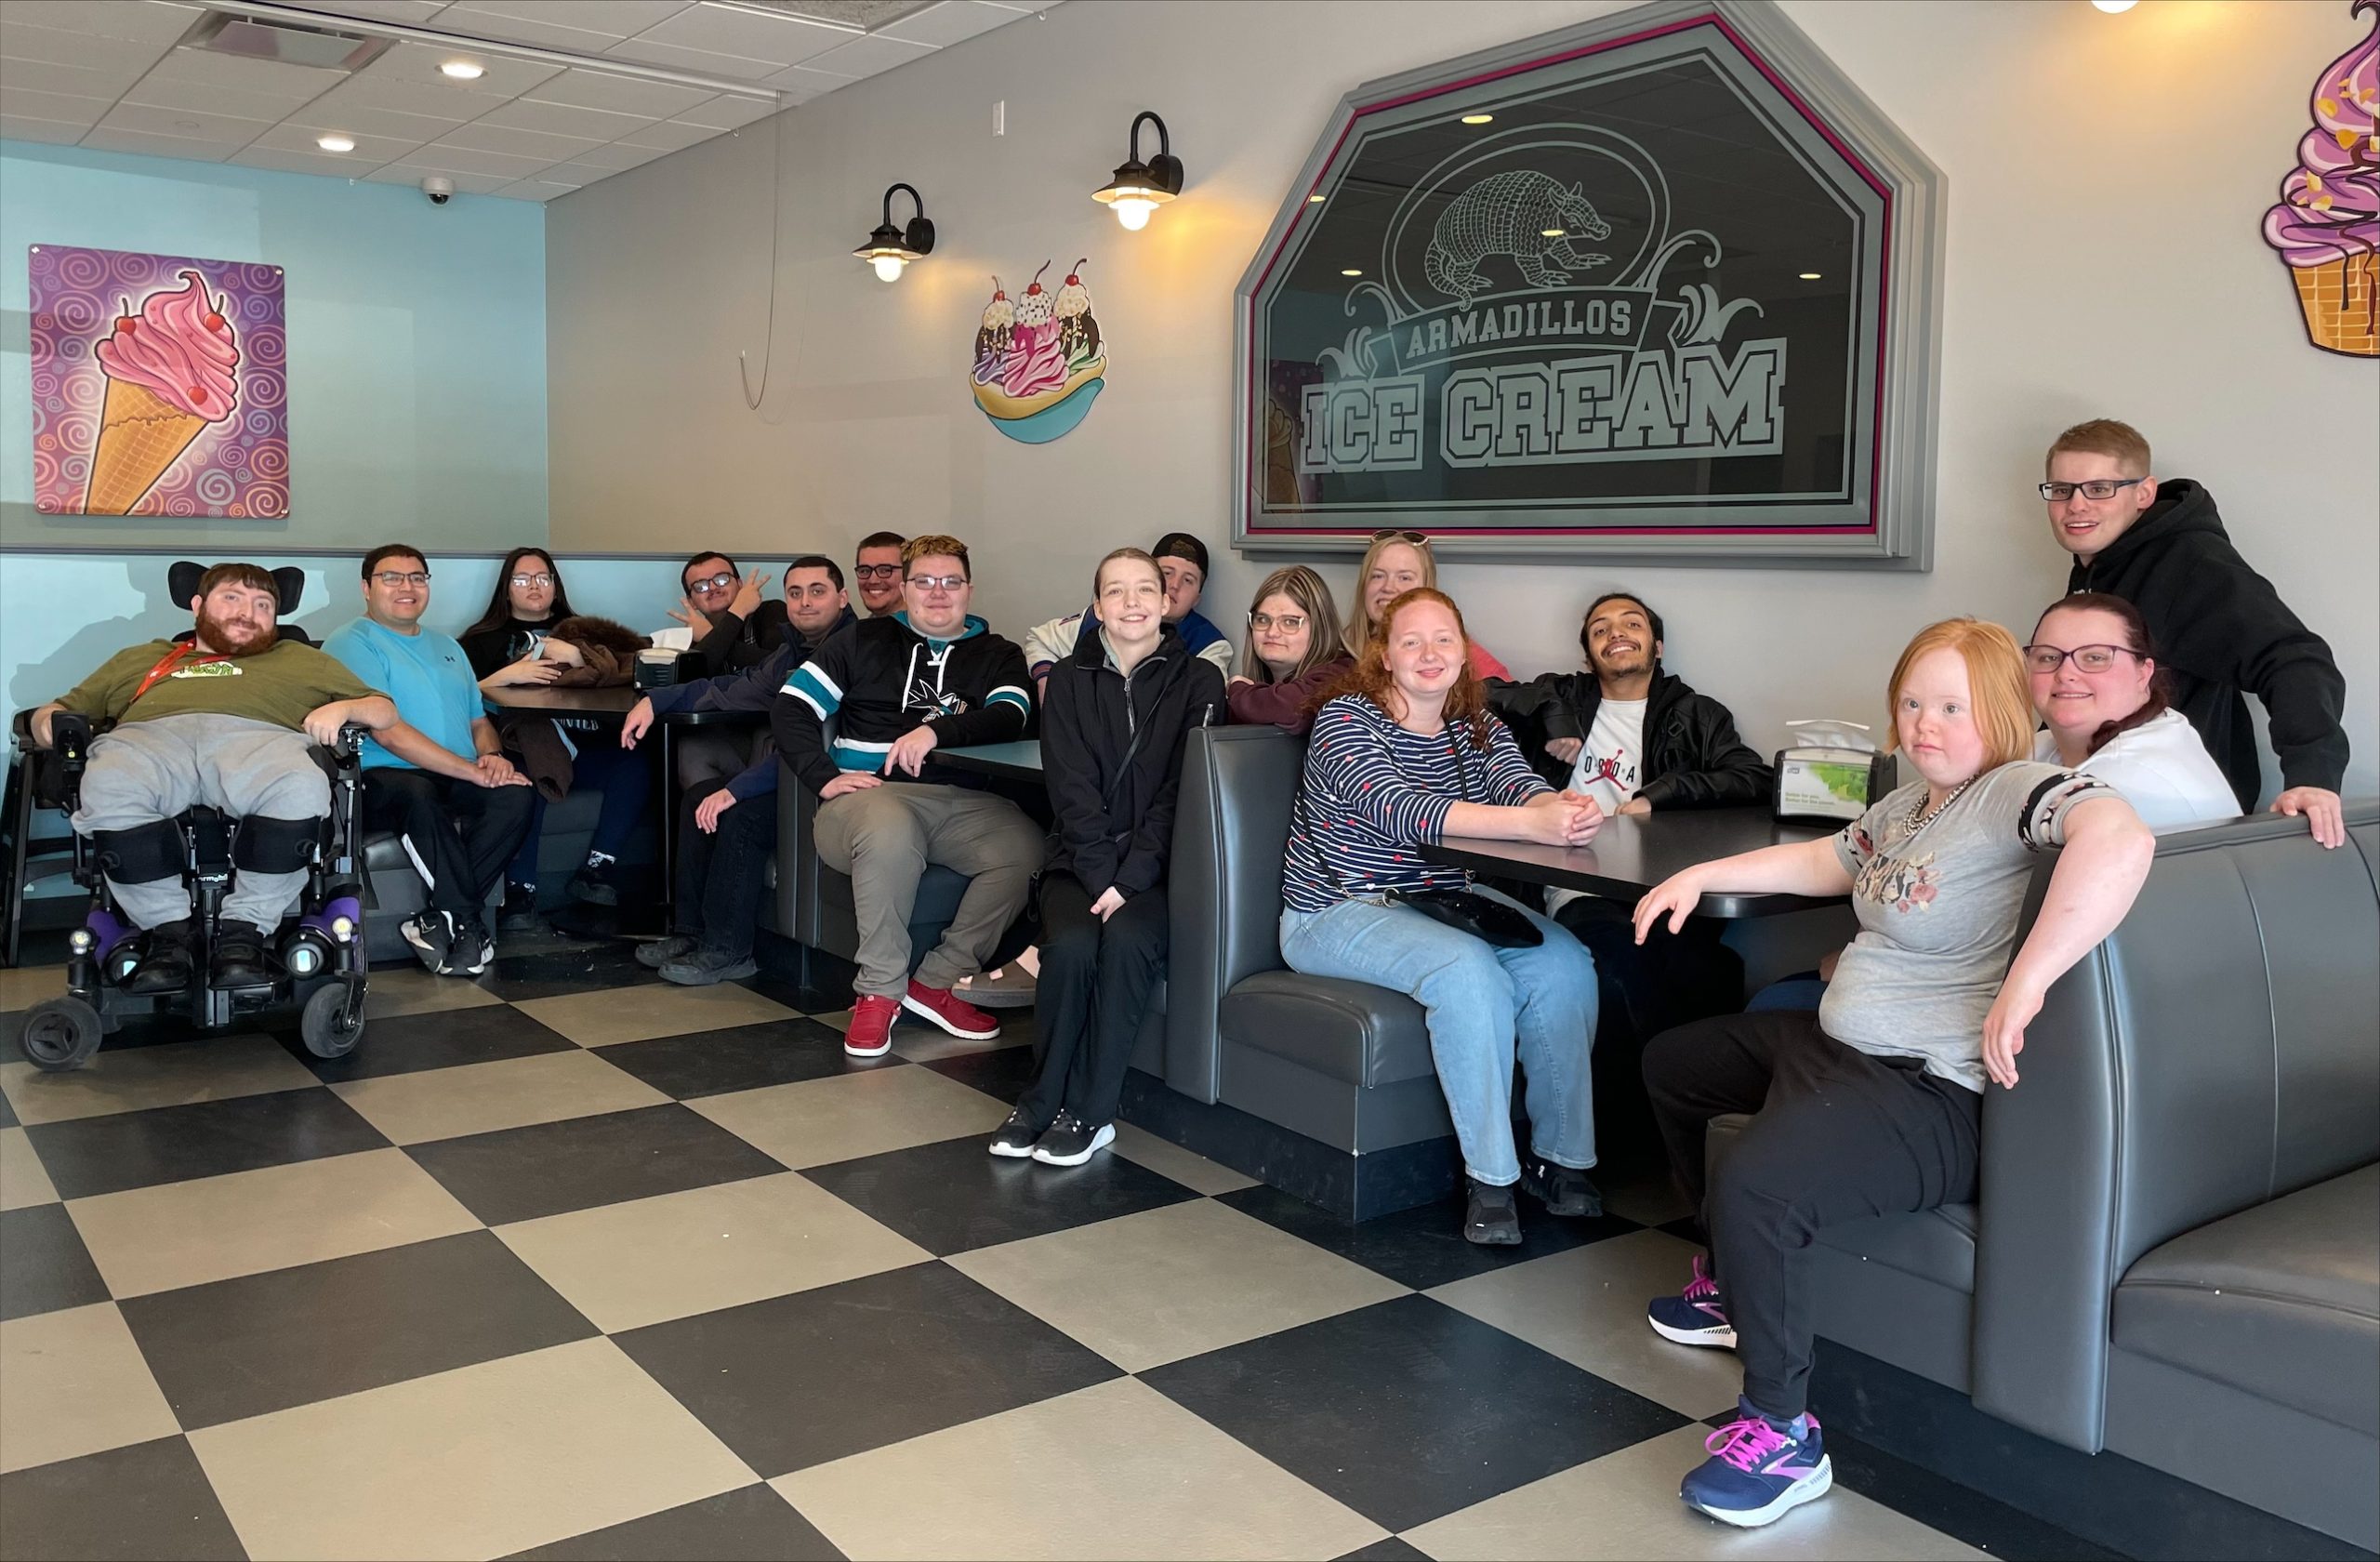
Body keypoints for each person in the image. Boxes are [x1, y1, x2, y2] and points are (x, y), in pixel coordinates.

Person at [1633, 617, 2154, 1529]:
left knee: (1758, 1184)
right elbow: (1824, 860)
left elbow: (2119, 838)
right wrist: (1700, 874)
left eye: (1949, 706)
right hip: (1840, 1050)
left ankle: (1783, 1435)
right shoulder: (1914, 804)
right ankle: (1727, 1286)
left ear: (1995, 710)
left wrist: (2026, 982)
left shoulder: (2014, 791)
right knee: (1677, 1064)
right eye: (1912, 703)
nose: (1924, 724)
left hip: (1931, 1089)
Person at [1278, 587, 1604, 1246]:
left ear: (1464, 651)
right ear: (1384, 656)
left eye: (1444, 640)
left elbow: (1516, 783)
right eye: (1411, 641)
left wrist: (1560, 807)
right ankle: (1491, 1178)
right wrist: (1531, 823)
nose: (1430, 654)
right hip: (1337, 909)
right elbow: (1404, 811)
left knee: (1565, 961)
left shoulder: (1473, 726)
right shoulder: (1347, 720)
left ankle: (1561, 1159)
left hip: (1440, 904)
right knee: (1467, 971)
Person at [27, 563, 403, 991]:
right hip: (151, 742)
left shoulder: (300, 659)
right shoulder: (139, 658)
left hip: (259, 743)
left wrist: (344, 709)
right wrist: (49, 723)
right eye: (232, 599)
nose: (248, 612)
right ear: (197, 605)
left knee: (300, 786)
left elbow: (384, 710)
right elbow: (57, 710)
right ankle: (169, 933)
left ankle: (244, 932)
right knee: (109, 783)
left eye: (263, 604)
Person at [991, 549, 1224, 1165]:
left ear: (1166, 601)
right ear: (1096, 607)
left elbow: (1180, 793)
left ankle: (1092, 1114)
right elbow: (1070, 789)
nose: (1132, 603)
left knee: (1124, 943)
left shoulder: (1198, 680)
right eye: (1116, 592)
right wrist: (1101, 876)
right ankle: (1040, 1101)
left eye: (1145, 589)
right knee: (1068, 946)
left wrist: (1131, 879)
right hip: (1080, 863)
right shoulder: (1066, 679)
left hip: (1160, 873)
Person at [774, 533, 1042, 1057]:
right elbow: (791, 708)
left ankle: (937, 982)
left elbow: (1012, 712)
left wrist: (936, 731)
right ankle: (878, 991)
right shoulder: (860, 642)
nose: (938, 593)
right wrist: (823, 776)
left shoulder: (997, 652)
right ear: (905, 587)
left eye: (951, 582)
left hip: (957, 804)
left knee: (1028, 848)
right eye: (923, 582)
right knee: (889, 825)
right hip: (863, 800)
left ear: (969, 588)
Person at [1491, 591, 1773, 1092]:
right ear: (1587, 656)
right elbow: (1478, 691)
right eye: (1600, 629)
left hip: (1658, 885)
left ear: (1657, 646)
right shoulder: (1564, 696)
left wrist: (1659, 795)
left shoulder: (1696, 714)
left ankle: (1692, 1108)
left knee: (1703, 968)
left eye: (1631, 624)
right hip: (1576, 882)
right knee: (1620, 963)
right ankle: (1644, 1125)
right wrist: (1554, 712)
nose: (1616, 633)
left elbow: (1752, 776)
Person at [2044, 418, 2347, 847]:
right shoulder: (2101, 563)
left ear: (2144, 493)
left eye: (2099, 489)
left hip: (2180, 825)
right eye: (2061, 490)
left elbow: (2295, 659)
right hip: (2110, 799)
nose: (2076, 506)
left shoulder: (2190, 564)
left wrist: (2314, 776)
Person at [625, 556, 857, 985]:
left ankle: (729, 951)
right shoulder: (792, 650)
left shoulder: (851, 651)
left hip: (828, 784)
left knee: (741, 814)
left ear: (842, 598)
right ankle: (692, 932)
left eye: (817, 591)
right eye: (795, 593)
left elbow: (805, 746)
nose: (805, 603)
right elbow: (733, 689)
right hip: (790, 776)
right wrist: (657, 700)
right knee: (698, 797)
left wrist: (738, 790)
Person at [323, 545, 536, 977]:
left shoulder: (448, 646)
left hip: (457, 770)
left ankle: (441, 919)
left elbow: (478, 721)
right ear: (366, 588)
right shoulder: (350, 642)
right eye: (392, 578)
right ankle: (468, 923)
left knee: (515, 794)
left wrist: (492, 757)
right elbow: (388, 732)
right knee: (418, 793)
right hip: (385, 775)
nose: (407, 587)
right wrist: (470, 771)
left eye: (418, 577)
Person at [459, 548, 654, 924]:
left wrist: (580, 657)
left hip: (586, 744)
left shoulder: (585, 629)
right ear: (506, 589)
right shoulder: (478, 641)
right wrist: (503, 678)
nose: (534, 586)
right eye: (522, 579)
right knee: (522, 774)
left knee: (635, 761)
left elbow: (633, 666)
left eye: (543, 578)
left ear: (554, 584)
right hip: (522, 747)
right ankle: (521, 891)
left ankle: (598, 870)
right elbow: (457, 700)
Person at [2027, 593, 2241, 829]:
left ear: (2143, 673)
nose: (2065, 673)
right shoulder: (2044, 746)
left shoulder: (2128, 780)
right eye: (2048, 657)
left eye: (2095, 657)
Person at [1024, 531, 1236, 690]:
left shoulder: (1209, 644)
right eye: (1166, 573)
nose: (1174, 585)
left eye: (1188, 580)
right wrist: (1046, 681)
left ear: (1198, 597)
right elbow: (1038, 639)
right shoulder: (1099, 618)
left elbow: (1202, 697)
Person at [1342, 530, 1512, 680]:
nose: (1388, 587)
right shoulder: (1340, 651)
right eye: (1377, 576)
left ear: (1426, 587)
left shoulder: (1459, 652)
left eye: (1404, 577)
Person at [1226, 564, 1353, 734]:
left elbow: (1295, 709)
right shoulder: (1258, 688)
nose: (1272, 632)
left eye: (1290, 622)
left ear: (1320, 627)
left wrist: (1239, 691)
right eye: (1263, 620)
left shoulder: (1341, 673)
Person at [670, 549, 787, 677]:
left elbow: (780, 669)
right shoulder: (693, 638)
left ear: (740, 585)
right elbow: (694, 680)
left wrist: (710, 635)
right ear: (691, 602)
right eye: (701, 586)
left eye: (722, 579)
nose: (713, 588)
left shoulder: (771, 611)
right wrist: (710, 636)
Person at [853, 531, 906, 618]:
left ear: (908, 573)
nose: (873, 581)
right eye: (864, 571)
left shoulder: (927, 629)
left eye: (885, 570)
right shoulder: (861, 629)